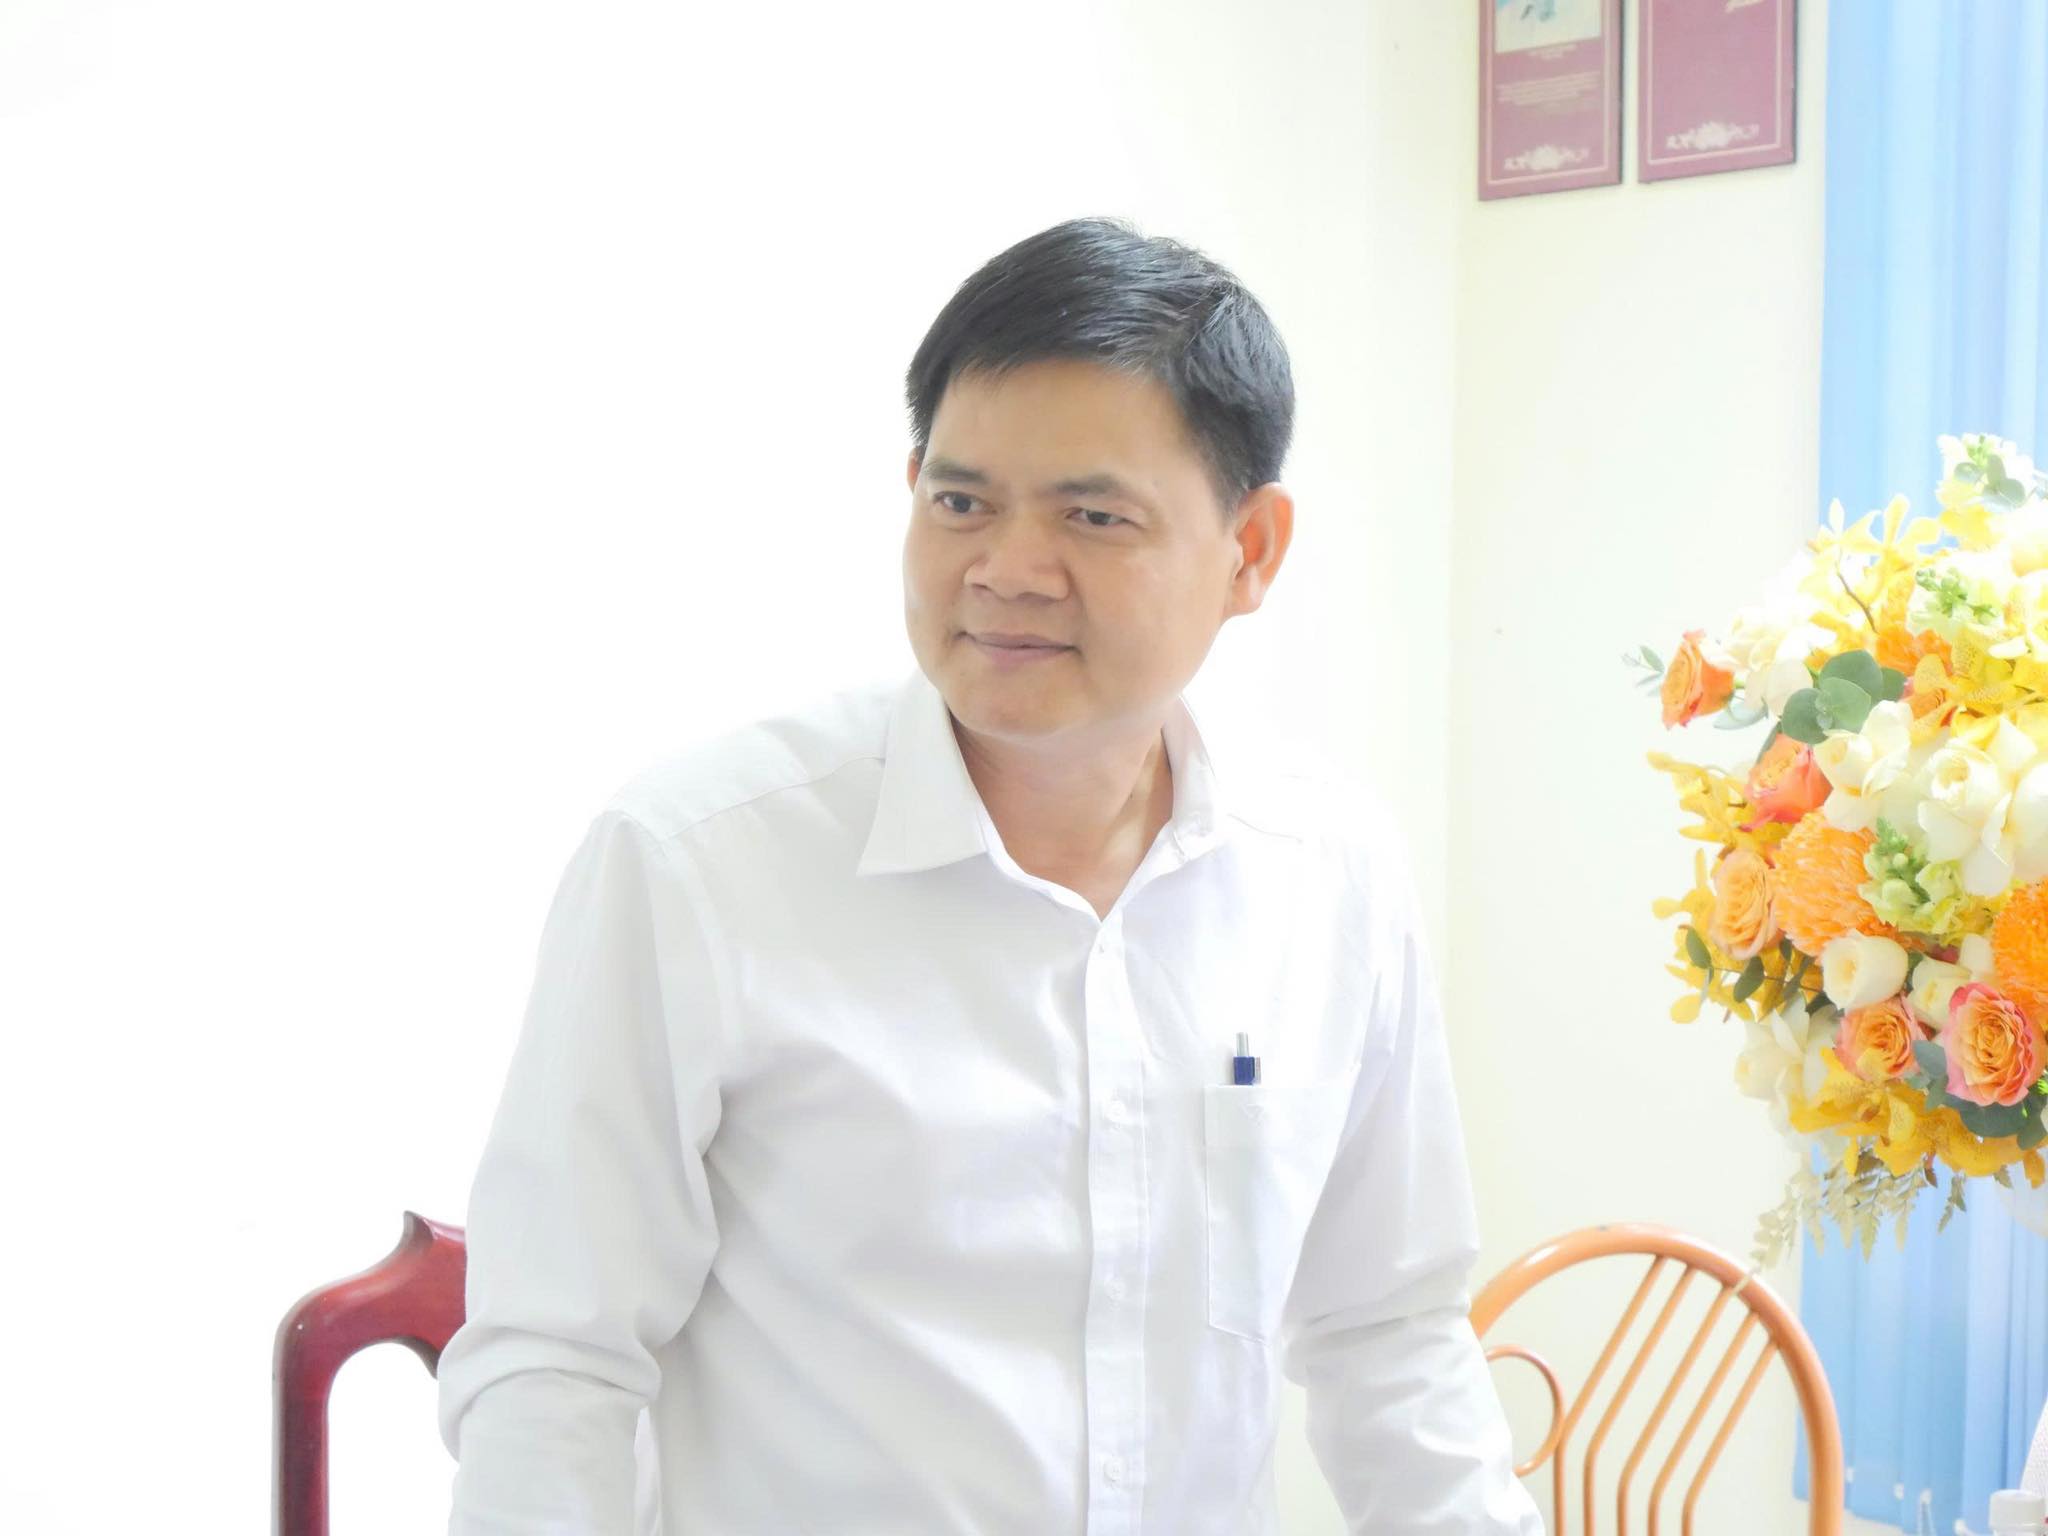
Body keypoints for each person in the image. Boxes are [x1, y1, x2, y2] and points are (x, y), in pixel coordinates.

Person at [436, 216, 1542, 1534]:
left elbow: (1387, 1329)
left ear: (1250, 551)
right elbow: (557, 1362)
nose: (1007, 571)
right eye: (960, 502)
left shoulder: (1329, 877)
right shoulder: (697, 865)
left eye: (1093, 516)